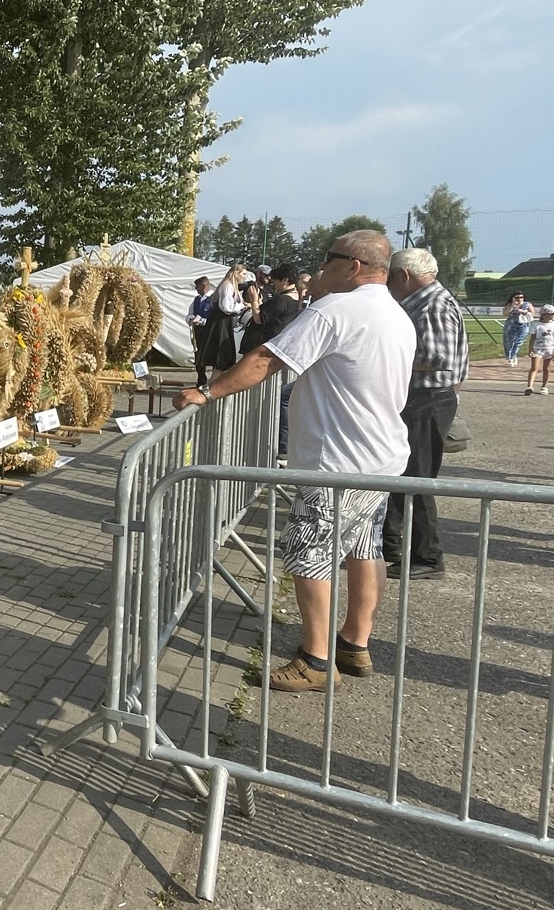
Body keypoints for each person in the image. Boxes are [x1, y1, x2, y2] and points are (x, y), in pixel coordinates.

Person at [175, 230, 415, 693]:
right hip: (381, 456)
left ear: (354, 266)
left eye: (328, 259)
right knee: (365, 548)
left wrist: (207, 391)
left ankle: (316, 659)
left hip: (337, 461)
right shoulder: (395, 313)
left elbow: (267, 359)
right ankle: (355, 642)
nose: (320, 269)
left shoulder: (337, 309)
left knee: (309, 554)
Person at [383, 248, 469, 578]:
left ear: (403, 276)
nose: (387, 285)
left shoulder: (432, 304)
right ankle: (391, 544)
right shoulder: (427, 301)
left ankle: (428, 557)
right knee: (404, 475)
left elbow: (435, 358)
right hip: (426, 398)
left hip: (427, 399)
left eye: (389, 277)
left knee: (417, 480)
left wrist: (386, 357)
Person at [250, 265, 306, 458]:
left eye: (275, 281)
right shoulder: (296, 300)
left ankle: (280, 444)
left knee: (275, 398)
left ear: (285, 280)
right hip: (284, 353)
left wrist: (254, 301)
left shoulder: (281, 300)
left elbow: (259, 319)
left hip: (271, 352)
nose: (273, 284)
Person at [523, 304, 554, 394]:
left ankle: (544, 386)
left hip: (550, 349)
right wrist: (530, 349)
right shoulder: (536, 325)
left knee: (547, 368)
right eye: (551, 314)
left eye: (553, 314)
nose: (553, 316)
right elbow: (532, 338)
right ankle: (530, 386)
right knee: (534, 367)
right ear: (544, 315)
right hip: (537, 349)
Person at [188, 276, 216, 389]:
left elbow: (215, 317)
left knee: (212, 356)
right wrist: (191, 318)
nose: (196, 289)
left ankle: (214, 380)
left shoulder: (214, 298)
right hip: (198, 332)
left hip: (211, 332)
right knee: (198, 356)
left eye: (197, 286)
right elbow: (190, 313)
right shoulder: (196, 300)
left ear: (204, 286)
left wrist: (203, 321)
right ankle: (201, 380)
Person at [502, 292, 535, 367]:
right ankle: (510, 357)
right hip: (511, 325)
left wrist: (524, 312)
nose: (519, 299)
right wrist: (512, 305)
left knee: (518, 341)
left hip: (523, 324)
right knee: (508, 342)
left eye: (521, 297)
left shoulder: (527, 304)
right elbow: (505, 313)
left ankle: (513, 356)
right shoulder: (511, 304)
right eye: (517, 297)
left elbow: (533, 313)